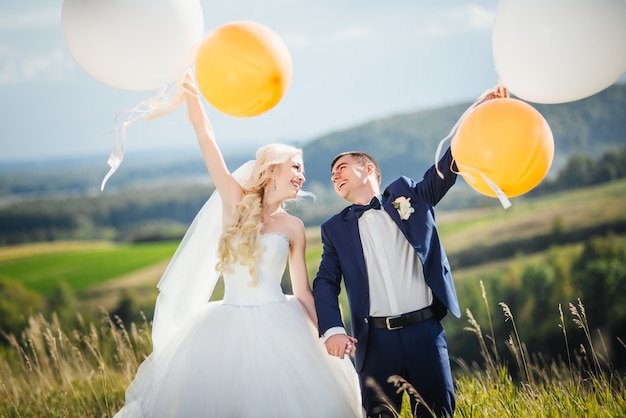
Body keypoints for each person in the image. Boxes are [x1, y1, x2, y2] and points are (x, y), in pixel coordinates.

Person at [113, 76, 363, 418]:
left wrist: (330, 332)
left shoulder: (295, 228)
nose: (302, 176)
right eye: (296, 167)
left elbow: (303, 292)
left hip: (283, 322)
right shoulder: (234, 201)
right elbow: (208, 141)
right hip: (226, 325)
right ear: (272, 170)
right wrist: (193, 96)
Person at [312, 88, 506, 418]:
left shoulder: (412, 197)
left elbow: (450, 164)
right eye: (332, 176)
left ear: (368, 168)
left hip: (425, 333)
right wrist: (333, 329)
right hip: (374, 343)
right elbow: (325, 282)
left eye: (342, 167)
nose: (335, 176)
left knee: (437, 412)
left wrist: (479, 115)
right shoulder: (334, 229)